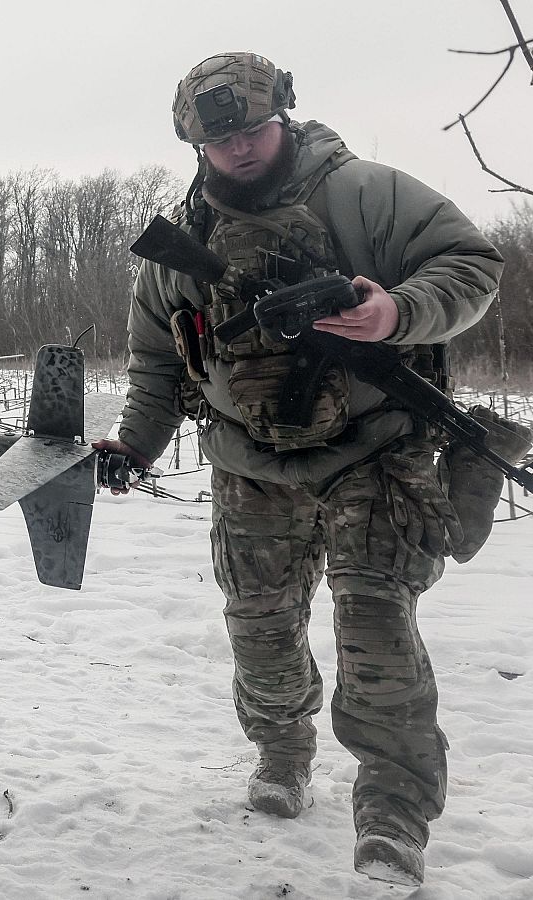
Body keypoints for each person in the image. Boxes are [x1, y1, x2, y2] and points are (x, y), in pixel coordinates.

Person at [100, 53, 506, 885]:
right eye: (221, 142)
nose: (241, 150)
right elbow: (156, 365)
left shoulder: (364, 194)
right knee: (259, 631)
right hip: (250, 462)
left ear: (282, 115)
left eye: (252, 130)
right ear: (195, 144)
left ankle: (393, 817)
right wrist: (135, 445)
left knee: (377, 631)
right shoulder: (182, 243)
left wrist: (396, 311)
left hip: (374, 451)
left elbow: (472, 265)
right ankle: (282, 753)